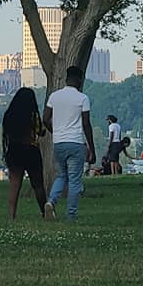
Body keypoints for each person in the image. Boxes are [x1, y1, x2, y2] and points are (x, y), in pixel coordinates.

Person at [42, 65, 95, 221]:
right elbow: (86, 124)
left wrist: (55, 131)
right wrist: (91, 148)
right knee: (74, 181)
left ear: (66, 78)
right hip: (76, 143)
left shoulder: (54, 96)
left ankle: (51, 201)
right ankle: (71, 215)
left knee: (61, 176)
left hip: (59, 143)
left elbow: (45, 118)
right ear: (79, 80)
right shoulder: (82, 98)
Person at [2, 86, 48, 220]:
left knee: (15, 185)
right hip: (30, 150)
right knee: (37, 184)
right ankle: (44, 212)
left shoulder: (9, 115)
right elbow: (41, 131)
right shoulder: (32, 115)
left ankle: (12, 215)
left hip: (14, 151)